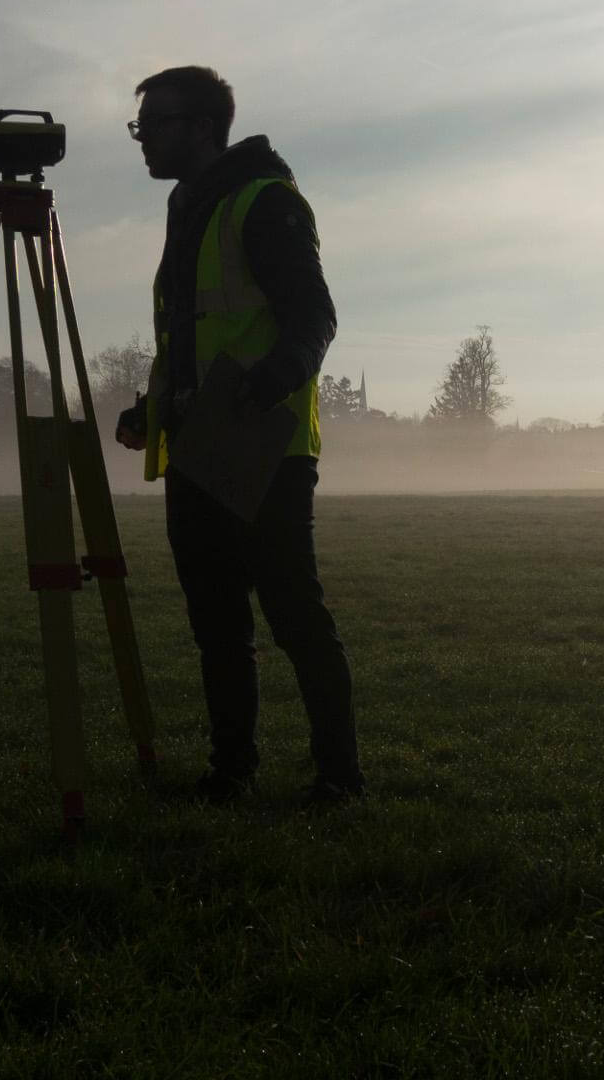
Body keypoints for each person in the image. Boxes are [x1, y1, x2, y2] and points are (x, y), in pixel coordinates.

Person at [113, 65, 366, 805]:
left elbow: (314, 318)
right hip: (194, 449)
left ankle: (340, 777)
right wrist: (150, 409)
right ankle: (231, 771)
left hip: (265, 449)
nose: (142, 143)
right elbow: (191, 339)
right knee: (217, 624)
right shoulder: (188, 209)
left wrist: (265, 385)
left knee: (294, 616)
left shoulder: (265, 202)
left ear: (198, 127)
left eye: (151, 126)